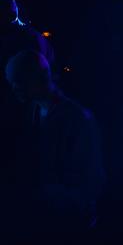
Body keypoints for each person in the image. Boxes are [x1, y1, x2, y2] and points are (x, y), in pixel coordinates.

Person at [4, 50, 103, 223]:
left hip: (70, 221)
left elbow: (91, 180)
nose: (14, 88)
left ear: (39, 78)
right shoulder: (33, 111)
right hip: (46, 216)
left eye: (19, 82)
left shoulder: (77, 118)